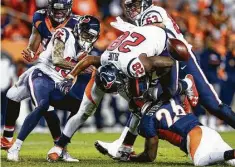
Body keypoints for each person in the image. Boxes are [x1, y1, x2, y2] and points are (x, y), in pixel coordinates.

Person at [46, 15, 198, 161]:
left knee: (158, 96)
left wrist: (167, 64)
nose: (111, 93)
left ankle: (186, 83)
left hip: (157, 46)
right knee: (84, 112)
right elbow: (90, 59)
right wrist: (70, 77)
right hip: (127, 58)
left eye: (113, 89)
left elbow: (158, 62)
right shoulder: (105, 60)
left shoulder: (133, 66)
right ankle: (59, 147)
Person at [95, 0, 235, 158]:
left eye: (134, 5)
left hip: (178, 59)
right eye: (129, 6)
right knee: (143, 100)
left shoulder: (153, 13)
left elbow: (162, 38)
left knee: (212, 104)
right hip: (162, 62)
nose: (131, 9)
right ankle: (124, 145)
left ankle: (186, 85)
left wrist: (134, 31)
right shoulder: (141, 18)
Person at [6, 15, 100, 162]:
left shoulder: (83, 49)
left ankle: (61, 147)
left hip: (57, 83)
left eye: (91, 36)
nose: (87, 38)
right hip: (42, 75)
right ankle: (15, 146)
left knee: (80, 107)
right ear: (79, 29)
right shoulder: (64, 33)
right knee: (42, 105)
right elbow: (57, 59)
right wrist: (81, 67)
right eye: (86, 33)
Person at [1, 0, 80, 152]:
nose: (59, 14)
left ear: (69, 9)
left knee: (47, 105)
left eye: (62, 10)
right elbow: (33, 44)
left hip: (64, 70)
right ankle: (8, 138)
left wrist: (81, 64)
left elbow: (84, 46)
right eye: (55, 10)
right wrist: (31, 51)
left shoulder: (77, 23)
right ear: (48, 8)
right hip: (46, 67)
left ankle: (59, 146)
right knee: (13, 95)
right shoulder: (40, 17)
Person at [127, 94, 235, 166]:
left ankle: (231, 154)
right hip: (206, 130)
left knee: (200, 161)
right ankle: (231, 154)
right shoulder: (169, 97)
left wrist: (132, 158)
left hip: (193, 137)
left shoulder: (146, 121)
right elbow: (184, 96)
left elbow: (150, 156)